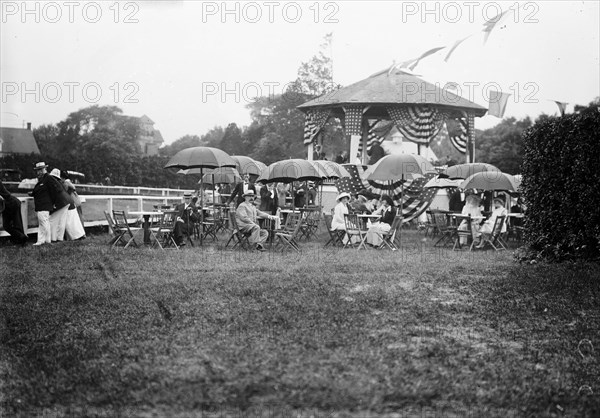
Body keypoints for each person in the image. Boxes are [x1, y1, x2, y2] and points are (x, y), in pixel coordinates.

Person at [30, 162, 70, 245]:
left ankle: (46, 241)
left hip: (44, 205)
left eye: (40, 170)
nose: (38, 172)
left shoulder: (48, 178)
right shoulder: (43, 179)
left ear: (43, 170)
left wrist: (53, 201)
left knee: (44, 223)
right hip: (42, 204)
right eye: (37, 170)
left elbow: (57, 189)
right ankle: (43, 241)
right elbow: (40, 189)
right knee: (43, 223)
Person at [51, 169, 85, 241]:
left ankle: (75, 236)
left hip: (72, 202)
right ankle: (79, 234)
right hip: (75, 201)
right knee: (76, 219)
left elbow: (64, 193)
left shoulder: (65, 183)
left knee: (71, 221)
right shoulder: (68, 182)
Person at [0, 180, 28, 246]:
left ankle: (21, 239)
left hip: (11, 203)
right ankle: (21, 238)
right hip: (11, 203)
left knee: (11, 225)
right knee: (12, 225)